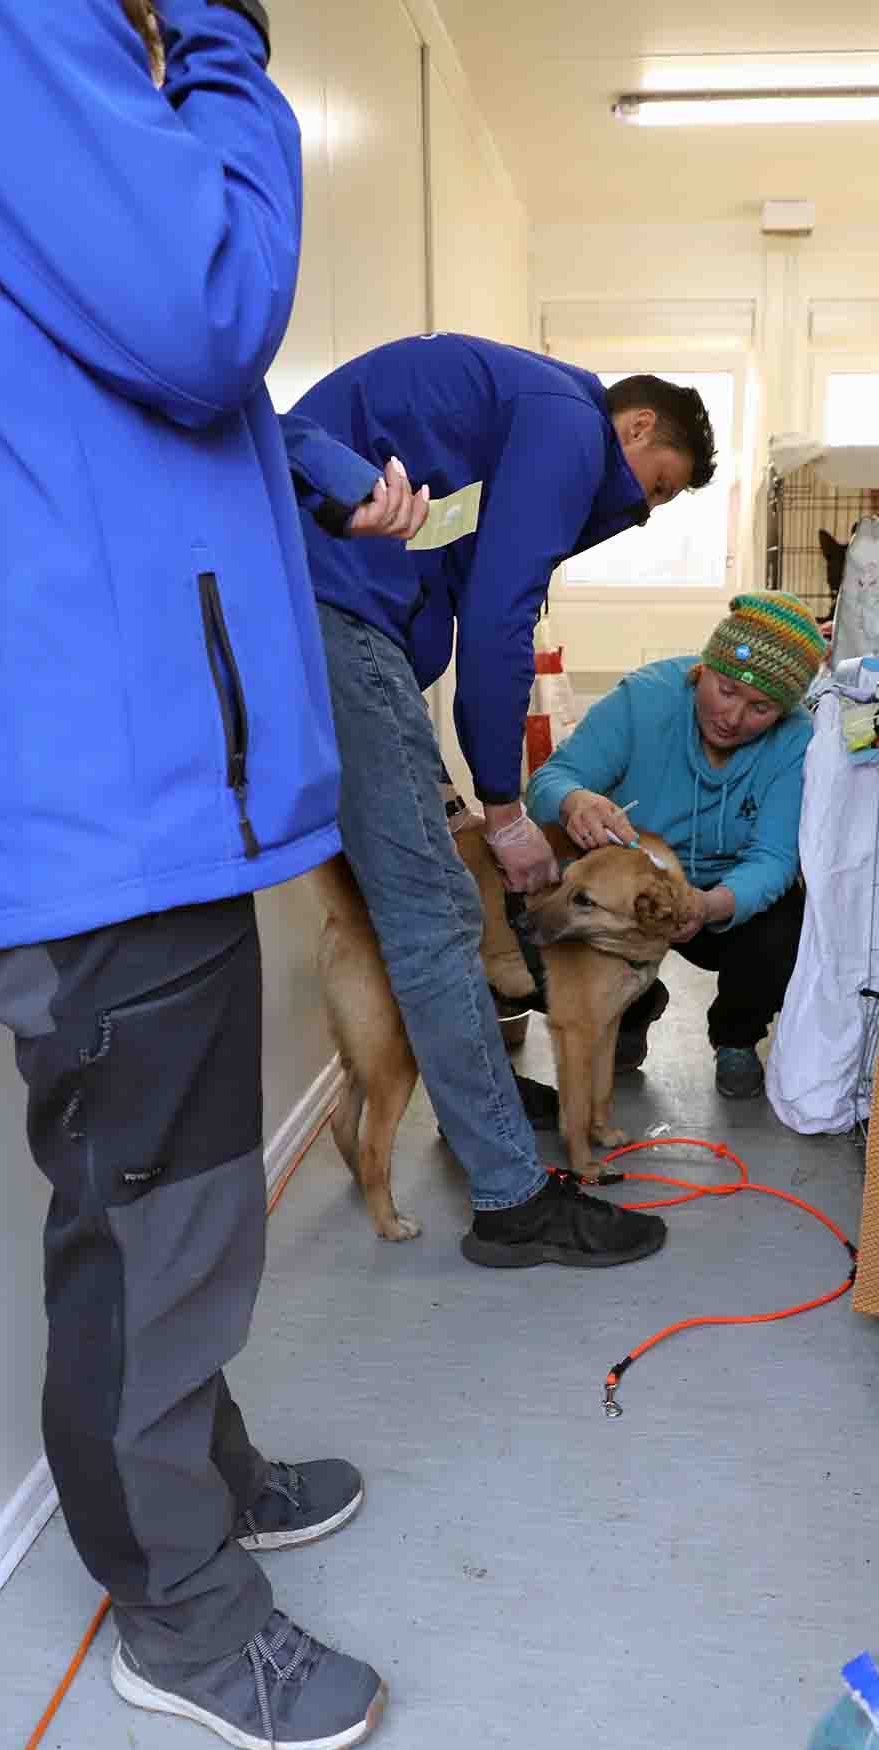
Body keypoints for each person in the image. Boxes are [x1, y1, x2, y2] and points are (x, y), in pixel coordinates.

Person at [0, 0, 431, 1750]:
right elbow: (200, 308)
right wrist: (223, 46)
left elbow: (86, 369)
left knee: (174, 1206)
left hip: (128, 775)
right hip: (91, 784)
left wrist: (288, 461)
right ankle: (184, 1618)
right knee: (153, 1227)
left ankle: (201, 1478)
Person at [287, 340, 717, 1264]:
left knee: (432, 905)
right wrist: (505, 807)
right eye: (658, 484)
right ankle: (512, 1200)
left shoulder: (508, 416)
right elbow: (499, 615)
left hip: (337, 617)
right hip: (336, 616)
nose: (644, 513)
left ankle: (477, 1096)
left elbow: (461, 581)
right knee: (440, 913)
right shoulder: (564, 420)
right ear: (634, 427)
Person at [527, 591, 826, 1100]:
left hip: (711, 900)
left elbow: (773, 859)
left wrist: (708, 905)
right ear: (702, 670)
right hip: (625, 898)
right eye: (725, 689)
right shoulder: (644, 699)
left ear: (783, 711)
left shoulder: (795, 740)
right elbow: (552, 779)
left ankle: (736, 1035)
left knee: (789, 918)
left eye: (761, 707)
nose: (732, 717)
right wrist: (575, 801)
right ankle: (633, 1007)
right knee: (528, 942)